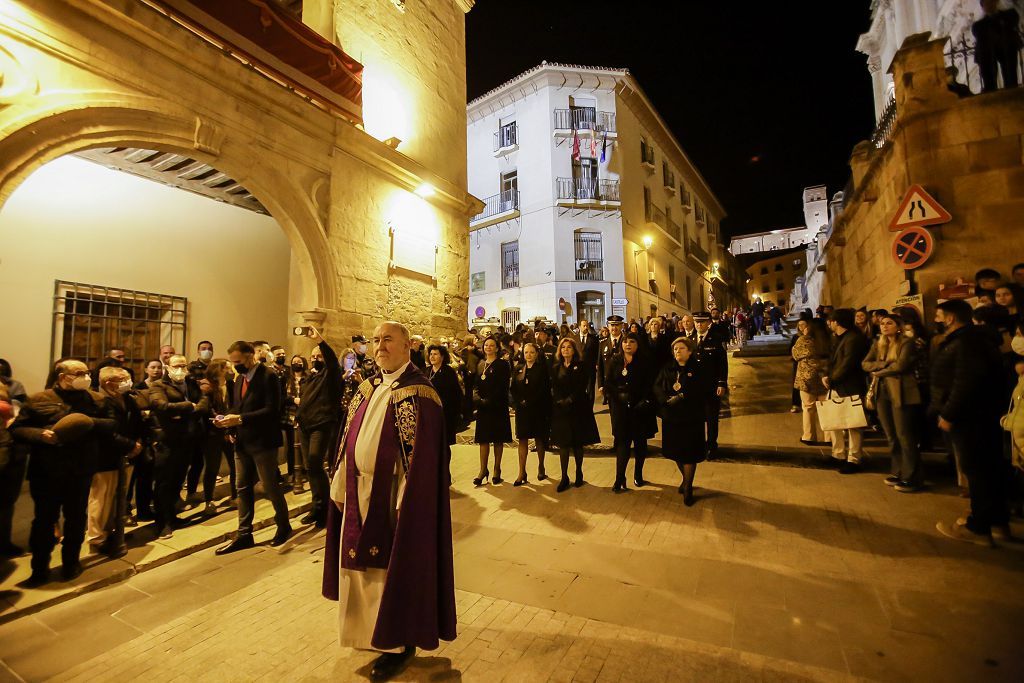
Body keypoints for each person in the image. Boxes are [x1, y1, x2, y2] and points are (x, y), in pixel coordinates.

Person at [321, 321, 456, 680]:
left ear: (407, 346)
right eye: (376, 340)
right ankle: (368, 635)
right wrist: (338, 482)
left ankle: (396, 644)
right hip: (356, 491)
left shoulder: (420, 393)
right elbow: (347, 440)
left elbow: (424, 458)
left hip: (393, 496)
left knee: (387, 572)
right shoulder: (366, 388)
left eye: (388, 340)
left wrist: (407, 501)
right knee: (358, 570)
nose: (380, 346)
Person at [10, 360, 118, 585]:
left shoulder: (96, 400)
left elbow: (110, 424)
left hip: (80, 468)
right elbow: (18, 429)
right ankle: (39, 568)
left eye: (87, 373)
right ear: (62, 376)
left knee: (76, 518)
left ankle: (71, 562)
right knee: (44, 521)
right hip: (47, 469)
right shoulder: (40, 399)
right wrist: (39, 435)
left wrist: (84, 422)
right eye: (79, 373)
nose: (86, 377)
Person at [933, 300, 1010, 545]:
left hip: (971, 416)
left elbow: (965, 381)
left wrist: (948, 413)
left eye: (939, 315)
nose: (936, 320)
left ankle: (978, 527)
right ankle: (997, 521)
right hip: (983, 414)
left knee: (977, 469)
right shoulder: (977, 340)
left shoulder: (966, 342)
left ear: (950, 318)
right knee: (990, 468)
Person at [214, 341, 292, 554]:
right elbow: (237, 406)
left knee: (269, 486)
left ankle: (283, 526)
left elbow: (272, 410)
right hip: (242, 442)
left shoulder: (268, 377)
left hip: (263, 442)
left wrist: (240, 419)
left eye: (238, 361)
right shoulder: (240, 379)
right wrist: (227, 424)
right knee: (242, 487)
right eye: (233, 362)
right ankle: (244, 533)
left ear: (250, 357)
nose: (235, 365)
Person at [148, 354, 209, 539]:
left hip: (187, 439)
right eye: (177, 365)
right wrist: (188, 406)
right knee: (164, 483)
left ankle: (172, 516)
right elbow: (161, 406)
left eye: (183, 365)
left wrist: (190, 409)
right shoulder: (159, 385)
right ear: (167, 367)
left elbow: (204, 401)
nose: (181, 369)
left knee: (177, 481)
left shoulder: (190, 382)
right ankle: (162, 522)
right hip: (168, 441)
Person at [862, 313, 923, 492]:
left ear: (898, 326)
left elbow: (901, 366)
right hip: (882, 392)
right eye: (882, 323)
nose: (884, 326)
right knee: (891, 435)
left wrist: (879, 370)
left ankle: (913, 477)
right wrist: (883, 365)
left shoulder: (906, 342)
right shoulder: (878, 344)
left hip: (901, 391)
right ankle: (898, 471)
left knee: (905, 435)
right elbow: (865, 364)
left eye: (889, 323)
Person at [89, 366, 144, 557]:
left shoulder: (128, 399)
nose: (127, 383)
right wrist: (129, 445)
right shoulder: (97, 402)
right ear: (107, 383)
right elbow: (104, 432)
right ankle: (97, 538)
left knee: (118, 496)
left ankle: (113, 530)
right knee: (101, 498)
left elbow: (137, 423)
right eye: (122, 379)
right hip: (105, 456)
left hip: (127, 454)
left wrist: (137, 443)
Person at [294, 329, 343, 528]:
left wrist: (320, 342)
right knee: (310, 468)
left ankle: (325, 508)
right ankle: (317, 507)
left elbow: (331, 361)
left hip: (321, 425)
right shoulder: (310, 378)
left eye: (318, 356)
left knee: (315, 461)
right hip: (305, 425)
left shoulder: (331, 375)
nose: (315, 359)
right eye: (312, 357)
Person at [653, 337, 706, 505]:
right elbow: (657, 385)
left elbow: (702, 388)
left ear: (689, 351)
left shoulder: (697, 367)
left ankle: (688, 487)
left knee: (689, 452)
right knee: (676, 450)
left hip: (691, 417)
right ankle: (685, 478)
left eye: (681, 348)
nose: (677, 351)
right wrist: (664, 399)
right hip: (672, 417)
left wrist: (682, 396)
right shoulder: (668, 367)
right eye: (675, 349)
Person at [605, 332, 657, 492]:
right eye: (625, 341)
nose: (628, 344)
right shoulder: (615, 361)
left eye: (632, 341)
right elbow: (608, 382)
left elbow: (651, 384)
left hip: (639, 409)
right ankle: (619, 477)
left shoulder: (645, 361)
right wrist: (618, 395)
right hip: (621, 409)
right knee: (623, 443)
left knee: (640, 444)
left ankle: (638, 474)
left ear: (638, 344)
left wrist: (644, 400)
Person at [549, 337, 599, 491]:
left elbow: (582, 385)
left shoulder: (581, 366)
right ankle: (564, 477)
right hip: (561, 410)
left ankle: (579, 472)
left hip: (577, 408)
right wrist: (559, 400)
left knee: (577, 443)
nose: (565, 350)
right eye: (563, 347)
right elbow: (553, 386)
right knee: (563, 444)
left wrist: (570, 399)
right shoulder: (556, 367)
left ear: (574, 350)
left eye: (568, 347)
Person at [823, 309, 870, 474]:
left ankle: (854, 458)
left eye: (831, 321)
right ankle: (838, 454)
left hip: (850, 386)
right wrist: (826, 376)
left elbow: (848, 363)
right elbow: (832, 361)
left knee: (853, 424)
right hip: (836, 385)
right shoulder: (837, 338)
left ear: (837, 322)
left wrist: (832, 378)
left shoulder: (853, 339)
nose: (829, 324)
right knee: (835, 422)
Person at [510, 342, 551, 487]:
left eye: (532, 352)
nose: (529, 355)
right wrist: (517, 402)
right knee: (522, 439)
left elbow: (544, 389)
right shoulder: (518, 368)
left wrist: (531, 401)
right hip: (522, 410)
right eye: (526, 352)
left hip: (537, 408)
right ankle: (522, 471)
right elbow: (513, 388)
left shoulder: (542, 369)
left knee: (539, 438)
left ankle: (541, 466)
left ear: (537, 353)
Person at [472, 337, 512, 485]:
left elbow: (502, 386)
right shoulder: (481, 363)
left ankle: (497, 469)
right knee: (483, 440)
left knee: (497, 439)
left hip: (497, 406)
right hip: (483, 408)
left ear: (497, 348)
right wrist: (477, 398)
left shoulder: (502, 364)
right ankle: (483, 470)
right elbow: (476, 383)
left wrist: (490, 400)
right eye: (486, 345)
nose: (488, 347)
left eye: (491, 345)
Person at [200, 359, 236, 514]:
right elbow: (207, 407)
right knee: (212, 467)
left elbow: (233, 405)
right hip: (212, 433)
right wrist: (218, 419)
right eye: (227, 368)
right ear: (219, 370)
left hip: (228, 431)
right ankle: (209, 500)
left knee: (235, 465)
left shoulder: (230, 385)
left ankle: (235, 496)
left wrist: (229, 429)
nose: (231, 370)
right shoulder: (207, 386)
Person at [692, 312, 728, 459]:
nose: (699, 325)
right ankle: (699, 444)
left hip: (711, 387)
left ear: (708, 323)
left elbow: (722, 364)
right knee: (697, 418)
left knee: (711, 418)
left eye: (702, 322)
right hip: (695, 388)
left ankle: (712, 445)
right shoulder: (690, 339)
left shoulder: (716, 339)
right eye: (696, 322)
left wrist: (721, 383)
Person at [793, 317, 830, 445]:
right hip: (825, 376)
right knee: (826, 407)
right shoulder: (828, 339)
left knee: (808, 408)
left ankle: (809, 436)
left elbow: (795, 354)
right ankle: (829, 437)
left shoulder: (804, 340)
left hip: (807, 378)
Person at [972, 0, 1022, 92]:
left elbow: (1013, 24)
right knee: (986, 52)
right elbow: (979, 35)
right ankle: (990, 87)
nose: (989, 5)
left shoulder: (1009, 15)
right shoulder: (978, 26)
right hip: (989, 52)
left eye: (990, 2)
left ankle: (1011, 86)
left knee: (1009, 68)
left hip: (1006, 47)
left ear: (996, 2)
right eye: (986, 3)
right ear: (982, 6)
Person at [426, 344, 462, 457]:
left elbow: (455, 393)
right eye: (431, 354)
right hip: (429, 414)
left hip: (444, 413)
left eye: (435, 354)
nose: (432, 356)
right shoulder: (426, 371)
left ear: (442, 357)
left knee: (443, 445)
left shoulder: (448, 372)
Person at [598, 315, 625, 405]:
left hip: (624, 383)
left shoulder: (626, 341)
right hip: (608, 383)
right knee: (614, 413)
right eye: (612, 325)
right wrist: (600, 384)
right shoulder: (602, 343)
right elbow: (600, 365)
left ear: (621, 326)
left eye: (617, 325)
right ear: (608, 326)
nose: (614, 328)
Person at [576, 319, 600, 402]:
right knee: (578, 388)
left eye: (587, 326)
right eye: (584, 326)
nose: (586, 327)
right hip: (577, 369)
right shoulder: (574, 338)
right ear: (579, 327)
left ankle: (590, 408)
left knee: (590, 389)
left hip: (590, 368)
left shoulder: (593, 339)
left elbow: (597, 352)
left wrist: (597, 364)